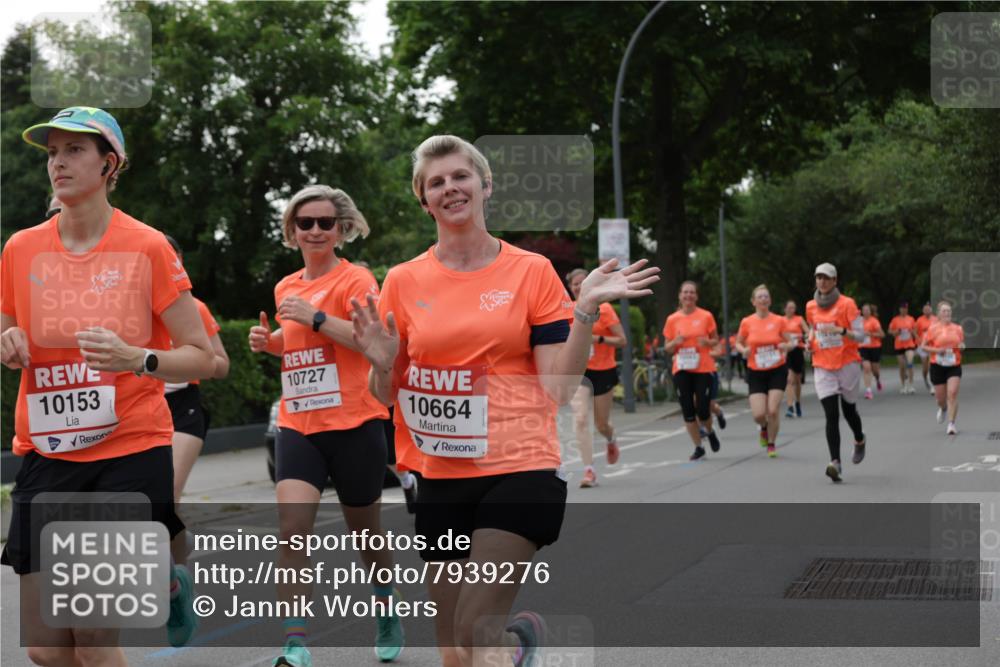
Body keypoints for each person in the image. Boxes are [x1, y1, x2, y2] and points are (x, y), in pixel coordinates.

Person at [350, 135, 657, 667]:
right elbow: (387, 397)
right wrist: (381, 363)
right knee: (456, 653)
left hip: (519, 468)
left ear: (485, 185)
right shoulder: (401, 280)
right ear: (424, 200)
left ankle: (519, 642)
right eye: (436, 182)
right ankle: (511, 653)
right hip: (440, 477)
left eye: (460, 176)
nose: (450, 188)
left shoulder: (530, 271)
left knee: (475, 628)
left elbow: (559, 388)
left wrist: (582, 312)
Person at [2, 106, 215, 665]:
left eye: (74, 150)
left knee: (95, 638)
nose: (59, 163)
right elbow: (5, 320)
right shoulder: (20, 248)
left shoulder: (146, 247)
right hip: (48, 453)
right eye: (53, 152)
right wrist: (9, 338)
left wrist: (137, 357)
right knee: (48, 651)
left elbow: (203, 356)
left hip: (127, 451)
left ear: (109, 164)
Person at [248, 185, 404, 666]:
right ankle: (295, 643)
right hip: (299, 425)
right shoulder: (285, 285)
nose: (315, 230)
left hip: (355, 423)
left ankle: (386, 606)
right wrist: (269, 342)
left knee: (367, 537)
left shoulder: (355, 280)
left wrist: (314, 316)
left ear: (341, 229)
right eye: (305, 223)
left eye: (325, 223)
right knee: (292, 530)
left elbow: (368, 344)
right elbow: (296, 342)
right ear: (292, 231)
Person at [162, 235, 230, 566]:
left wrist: (186, 359)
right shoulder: (127, 307)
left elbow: (222, 364)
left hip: (183, 408)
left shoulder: (194, 308)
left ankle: (178, 576)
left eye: (171, 257)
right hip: (141, 409)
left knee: (167, 495)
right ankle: (175, 562)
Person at [806, 263, 867, 483]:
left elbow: (861, 336)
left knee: (849, 411)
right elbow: (813, 329)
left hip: (847, 364)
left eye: (826, 278)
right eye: (818, 277)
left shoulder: (847, 304)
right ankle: (835, 463)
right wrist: (809, 342)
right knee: (831, 415)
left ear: (834, 281)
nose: (821, 281)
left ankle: (859, 440)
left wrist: (840, 330)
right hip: (822, 366)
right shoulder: (811, 306)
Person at [566, 267, 624, 488]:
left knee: (601, 423)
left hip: (603, 370)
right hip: (579, 371)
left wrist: (597, 339)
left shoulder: (605, 309)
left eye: (583, 282)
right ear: (570, 288)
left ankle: (610, 438)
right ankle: (588, 470)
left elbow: (622, 340)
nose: (579, 287)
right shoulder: (566, 309)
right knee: (580, 418)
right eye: (575, 284)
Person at [662, 281, 722, 461]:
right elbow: (667, 348)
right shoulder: (672, 319)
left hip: (703, 368)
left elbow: (716, 340)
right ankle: (698, 447)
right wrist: (675, 342)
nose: (688, 295)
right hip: (681, 369)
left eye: (692, 293)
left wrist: (708, 343)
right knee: (688, 410)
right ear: (680, 296)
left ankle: (710, 431)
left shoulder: (706, 316)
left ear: (696, 296)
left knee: (703, 410)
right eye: (685, 292)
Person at [734, 285, 795, 458]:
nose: (763, 299)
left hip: (777, 369)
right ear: (753, 301)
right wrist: (743, 350)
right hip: (756, 372)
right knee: (759, 414)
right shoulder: (747, 322)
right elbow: (738, 342)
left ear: (770, 300)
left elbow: (791, 343)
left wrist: (786, 346)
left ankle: (771, 443)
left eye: (766, 296)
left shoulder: (779, 321)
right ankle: (763, 427)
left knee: (773, 410)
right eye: (759, 297)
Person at [921, 301, 965, 435]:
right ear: (938, 314)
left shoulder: (958, 328)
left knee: (952, 394)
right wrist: (936, 350)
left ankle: (951, 424)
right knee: (941, 399)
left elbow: (961, 345)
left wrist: (962, 347)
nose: (947, 313)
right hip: (937, 365)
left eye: (949, 311)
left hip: (954, 365)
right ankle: (943, 408)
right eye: (944, 311)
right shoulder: (932, 329)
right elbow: (923, 346)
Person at [783, 299, 809, 418]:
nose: (791, 310)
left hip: (798, 350)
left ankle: (797, 403)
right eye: (789, 307)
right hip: (786, 351)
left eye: (793, 308)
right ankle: (789, 407)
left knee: (797, 381)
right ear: (785, 309)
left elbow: (808, 332)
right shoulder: (781, 320)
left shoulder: (799, 319)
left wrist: (801, 336)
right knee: (789, 379)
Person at [888, 302, 917, 394]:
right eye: (902, 308)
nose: (903, 310)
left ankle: (911, 385)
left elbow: (915, 331)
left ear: (907, 309)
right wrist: (896, 332)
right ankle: (903, 385)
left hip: (909, 344)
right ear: (899, 309)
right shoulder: (895, 320)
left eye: (905, 308)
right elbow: (890, 331)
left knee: (910, 363)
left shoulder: (911, 319)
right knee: (902, 366)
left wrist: (912, 332)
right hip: (899, 345)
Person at [859, 303, 884, 400]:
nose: (865, 312)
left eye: (867, 310)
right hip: (863, 347)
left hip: (875, 347)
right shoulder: (859, 321)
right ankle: (868, 390)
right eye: (864, 310)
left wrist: (870, 334)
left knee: (875, 371)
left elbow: (882, 334)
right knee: (866, 368)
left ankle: (877, 379)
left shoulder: (874, 321)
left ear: (870, 311)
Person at [915, 302, 937, 394]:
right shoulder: (919, 320)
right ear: (923, 311)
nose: (927, 311)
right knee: (925, 367)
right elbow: (915, 332)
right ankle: (925, 378)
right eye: (925, 309)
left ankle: (932, 385)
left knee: (930, 365)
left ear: (931, 310)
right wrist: (919, 341)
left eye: (928, 309)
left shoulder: (935, 319)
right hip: (922, 345)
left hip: (932, 345)